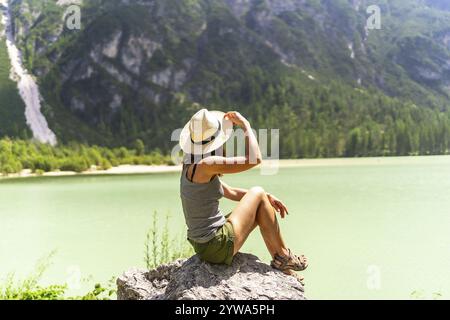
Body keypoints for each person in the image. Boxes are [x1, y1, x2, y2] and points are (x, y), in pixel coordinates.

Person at [179, 109, 308, 283]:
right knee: (257, 190)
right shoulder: (206, 164)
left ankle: (283, 264)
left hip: (203, 245)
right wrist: (245, 125)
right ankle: (284, 257)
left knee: (261, 201)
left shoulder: (191, 165)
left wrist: (266, 197)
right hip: (215, 245)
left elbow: (230, 192)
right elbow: (255, 159)